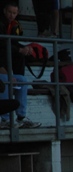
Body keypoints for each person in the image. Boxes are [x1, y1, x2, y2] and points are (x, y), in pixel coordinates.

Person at [0, 1, 41, 129]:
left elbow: (13, 45)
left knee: (22, 80)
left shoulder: (14, 26)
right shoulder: (1, 24)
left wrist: (25, 49)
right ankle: (5, 119)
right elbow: (2, 46)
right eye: (9, 12)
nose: (11, 15)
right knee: (5, 80)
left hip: (6, 68)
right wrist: (8, 72)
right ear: (4, 11)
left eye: (14, 13)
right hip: (2, 70)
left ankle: (21, 117)